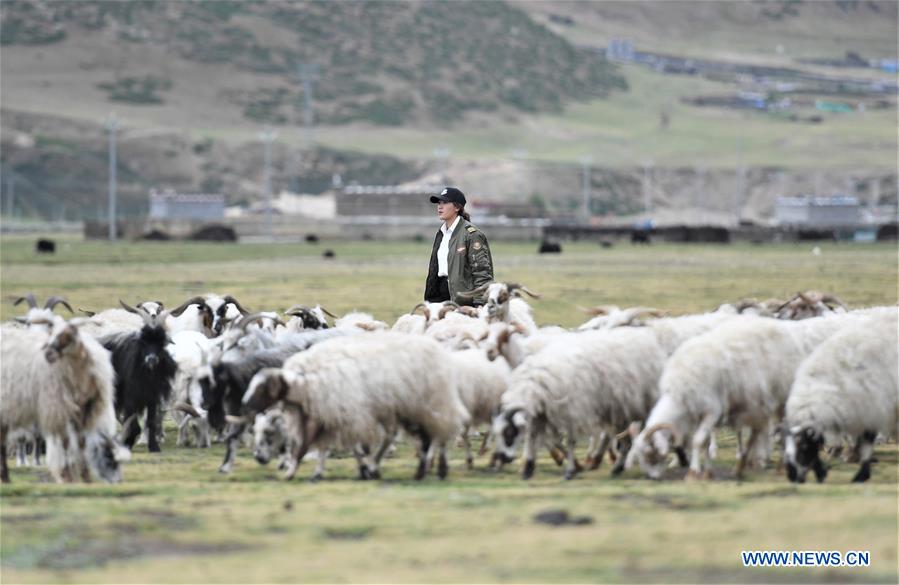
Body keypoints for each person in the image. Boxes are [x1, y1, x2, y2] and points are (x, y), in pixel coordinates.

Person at [423, 187, 494, 306]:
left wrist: (480, 304)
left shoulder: (472, 234)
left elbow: (481, 273)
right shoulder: (441, 233)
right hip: (439, 298)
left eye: (445, 203)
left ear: (457, 207)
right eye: (439, 203)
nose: (440, 206)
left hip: (462, 300)